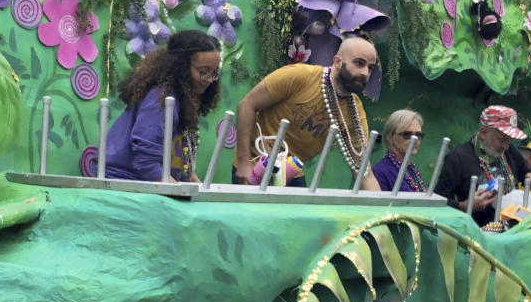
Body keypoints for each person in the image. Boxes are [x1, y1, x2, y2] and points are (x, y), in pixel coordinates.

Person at [233, 36, 379, 190]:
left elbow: (364, 172)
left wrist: (384, 212)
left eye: (370, 68)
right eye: (359, 63)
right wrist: (243, 162)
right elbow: (247, 105)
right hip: (256, 164)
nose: (365, 73)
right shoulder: (300, 76)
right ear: (337, 62)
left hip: (292, 171)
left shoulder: (354, 112)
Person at [104, 30, 220, 182]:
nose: (210, 79)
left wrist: (197, 189)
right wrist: (181, 194)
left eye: (215, 73)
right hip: (122, 183)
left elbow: (180, 166)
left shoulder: (185, 100)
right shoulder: (161, 101)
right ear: (181, 66)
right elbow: (147, 163)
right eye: (203, 71)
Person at [435, 106, 531, 226]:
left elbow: (525, 171)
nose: (506, 146)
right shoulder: (457, 158)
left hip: (514, 224)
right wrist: (463, 206)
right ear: (484, 133)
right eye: (502, 140)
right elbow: (438, 201)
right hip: (478, 232)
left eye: (509, 140)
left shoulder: (509, 150)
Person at [372, 110, 426, 192]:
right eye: (407, 134)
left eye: (418, 135)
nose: (415, 139)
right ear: (389, 137)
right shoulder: (381, 172)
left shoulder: (410, 168)